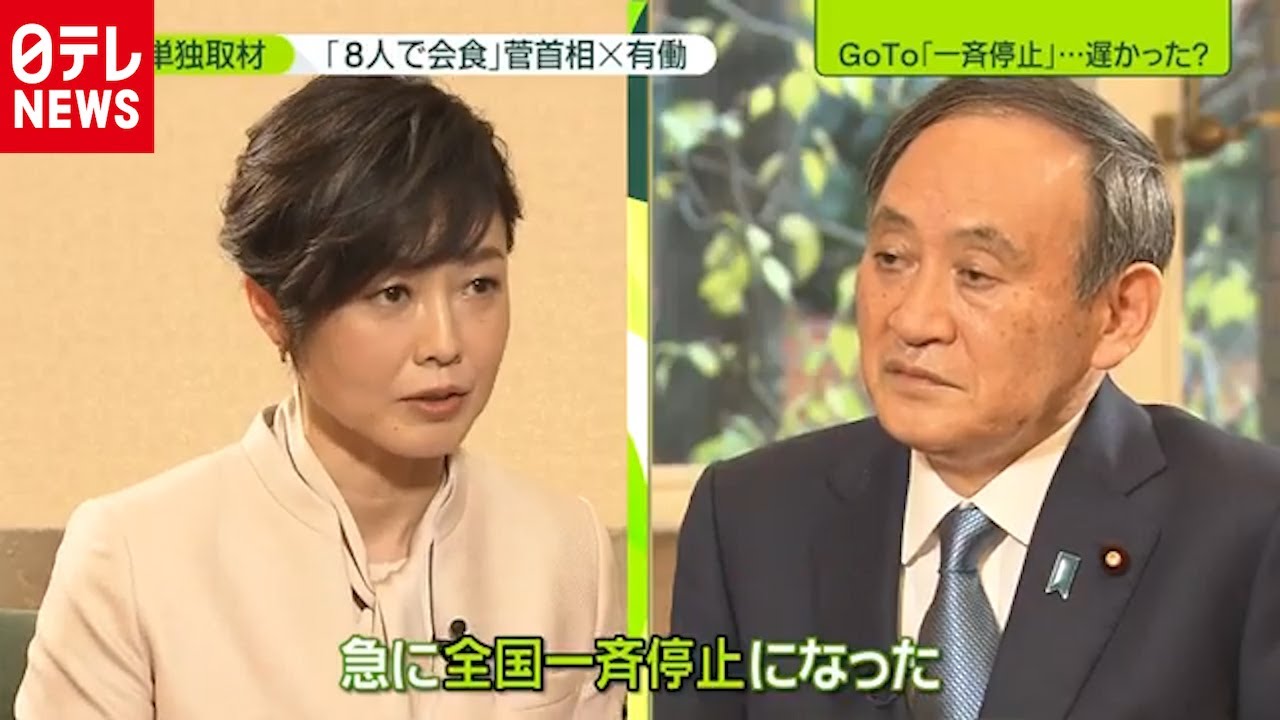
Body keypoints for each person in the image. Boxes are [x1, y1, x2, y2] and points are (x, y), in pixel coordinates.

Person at [655, 77, 1280, 720]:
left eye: (976, 274)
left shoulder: (1249, 526)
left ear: (1120, 312)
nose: (912, 319)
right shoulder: (750, 518)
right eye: (892, 257)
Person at [16, 76, 623, 720]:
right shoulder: (130, 557)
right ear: (272, 310)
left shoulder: (567, 552)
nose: (445, 343)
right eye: (392, 293)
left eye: (478, 285)